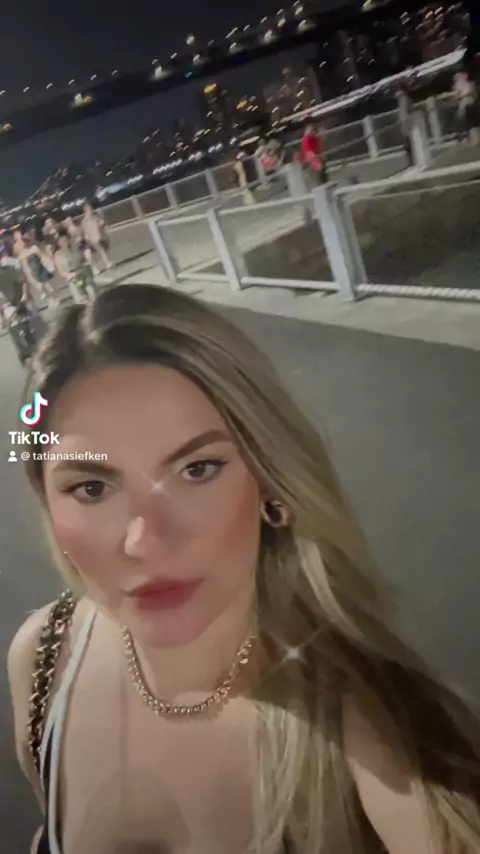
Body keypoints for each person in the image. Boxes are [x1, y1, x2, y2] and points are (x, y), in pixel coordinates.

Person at [8, 283, 480, 854]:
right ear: (48, 503)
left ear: (270, 481)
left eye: (198, 469)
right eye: (91, 487)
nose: (145, 541)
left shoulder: (381, 735)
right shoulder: (42, 658)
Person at [12, 229, 59, 309]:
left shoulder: (33, 248)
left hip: (39, 269)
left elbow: (42, 256)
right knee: (40, 288)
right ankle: (50, 300)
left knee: (47, 285)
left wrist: (49, 264)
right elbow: (22, 265)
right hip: (30, 273)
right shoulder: (19, 255)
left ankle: (55, 298)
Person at [54, 230, 97, 304]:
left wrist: (87, 263)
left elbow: (85, 260)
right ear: (59, 243)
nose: (65, 243)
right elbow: (61, 272)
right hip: (74, 278)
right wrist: (70, 275)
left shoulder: (76, 249)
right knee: (80, 296)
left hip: (83, 274)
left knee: (91, 290)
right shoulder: (58, 255)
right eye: (62, 241)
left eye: (66, 240)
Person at [81, 202, 112, 273]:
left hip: (99, 237)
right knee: (98, 250)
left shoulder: (95, 218)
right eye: (89, 209)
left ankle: (107, 262)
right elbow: (85, 232)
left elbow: (102, 223)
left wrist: (103, 225)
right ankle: (106, 263)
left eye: (91, 209)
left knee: (103, 249)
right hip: (91, 239)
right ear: (85, 211)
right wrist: (89, 239)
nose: (91, 211)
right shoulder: (84, 221)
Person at [453, 71, 480, 145]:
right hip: (467, 106)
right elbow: (457, 96)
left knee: (471, 124)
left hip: (468, 106)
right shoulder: (461, 85)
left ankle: (471, 139)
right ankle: (470, 138)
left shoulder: (468, 84)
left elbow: (468, 94)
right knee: (470, 124)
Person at [397, 84, 415, 167]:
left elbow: (407, 111)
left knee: (408, 144)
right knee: (407, 144)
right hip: (405, 123)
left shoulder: (405, 99)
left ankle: (411, 161)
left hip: (406, 123)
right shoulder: (403, 99)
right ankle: (410, 161)